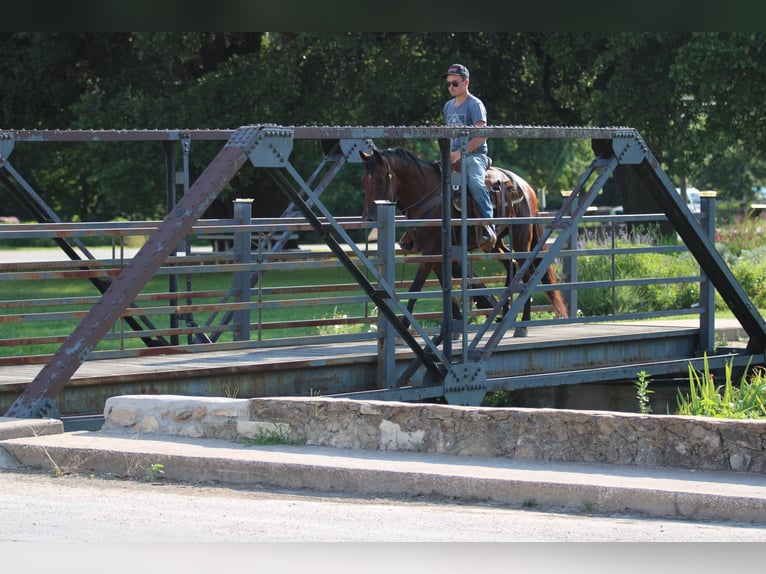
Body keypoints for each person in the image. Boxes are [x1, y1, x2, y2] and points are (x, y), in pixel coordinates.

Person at [443, 63, 495, 250]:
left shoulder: (475, 105)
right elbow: (449, 135)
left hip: (475, 155)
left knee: (474, 181)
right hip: (453, 155)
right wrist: (448, 153)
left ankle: (488, 227)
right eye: (448, 84)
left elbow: (482, 135)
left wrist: (460, 153)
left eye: (455, 83)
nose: (451, 87)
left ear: (466, 82)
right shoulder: (448, 106)